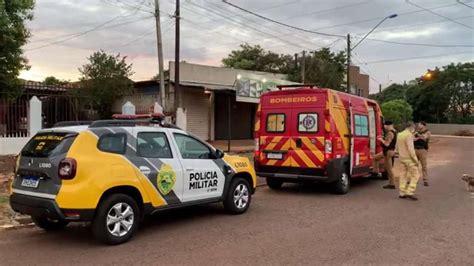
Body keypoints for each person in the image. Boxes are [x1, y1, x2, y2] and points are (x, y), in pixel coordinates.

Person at [396, 122, 420, 201]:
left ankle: (402, 192)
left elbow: (396, 147)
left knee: (403, 175)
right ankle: (410, 191)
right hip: (409, 159)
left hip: (402, 158)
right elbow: (411, 149)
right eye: (413, 127)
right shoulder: (409, 135)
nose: (413, 129)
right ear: (410, 127)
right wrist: (415, 160)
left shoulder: (399, 134)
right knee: (415, 175)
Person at [372, 121, 397, 189]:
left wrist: (381, 139)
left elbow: (387, 144)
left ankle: (392, 184)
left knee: (389, 169)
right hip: (388, 151)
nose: (384, 127)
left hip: (388, 152)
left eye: (385, 125)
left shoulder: (390, 133)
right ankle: (375, 172)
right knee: (375, 158)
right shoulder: (394, 131)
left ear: (388, 125)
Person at [414, 121, 431, 186]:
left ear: (423, 125)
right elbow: (412, 139)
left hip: (423, 150)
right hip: (415, 149)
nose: (418, 125)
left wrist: (417, 136)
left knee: (424, 166)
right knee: (415, 165)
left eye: (420, 124)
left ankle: (425, 180)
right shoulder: (417, 131)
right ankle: (415, 179)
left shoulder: (427, 132)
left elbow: (424, 137)